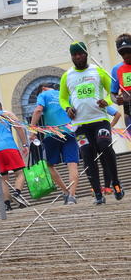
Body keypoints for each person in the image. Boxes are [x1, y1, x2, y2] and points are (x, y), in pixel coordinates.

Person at [59, 41, 124, 205]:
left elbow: (113, 93)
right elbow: (62, 98)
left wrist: (107, 101)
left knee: (104, 145)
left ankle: (115, 183)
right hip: (80, 124)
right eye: (74, 54)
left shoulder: (97, 71)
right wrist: (67, 108)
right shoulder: (67, 76)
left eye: (80, 54)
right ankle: (97, 194)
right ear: (71, 56)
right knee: (87, 154)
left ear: (86, 54)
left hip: (100, 120)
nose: (78, 57)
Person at [30, 84, 79, 204]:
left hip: (52, 134)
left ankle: (66, 191)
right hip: (70, 131)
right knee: (72, 164)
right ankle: (72, 196)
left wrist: (32, 129)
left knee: (48, 165)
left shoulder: (43, 94)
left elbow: (38, 110)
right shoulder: (64, 94)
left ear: (43, 89)